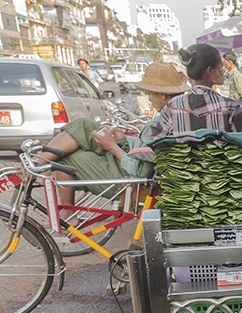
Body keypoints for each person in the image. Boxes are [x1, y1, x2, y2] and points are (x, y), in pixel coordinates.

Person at [39, 63, 189, 209]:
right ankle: (38, 161)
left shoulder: (163, 123)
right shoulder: (179, 115)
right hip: (135, 163)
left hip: (133, 178)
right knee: (84, 125)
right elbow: (146, 149)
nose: (149, 99)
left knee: (66, 159)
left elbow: (139, 171)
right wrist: (123, 140)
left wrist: (112, 146)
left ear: (162, 95)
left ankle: (39, 170)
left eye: (150, 93)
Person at [151, 44, 242, 139]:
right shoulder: (231, 107)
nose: (223, 71)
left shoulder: (173, 106)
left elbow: (155, 141)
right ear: (210, 71)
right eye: (220, 67)